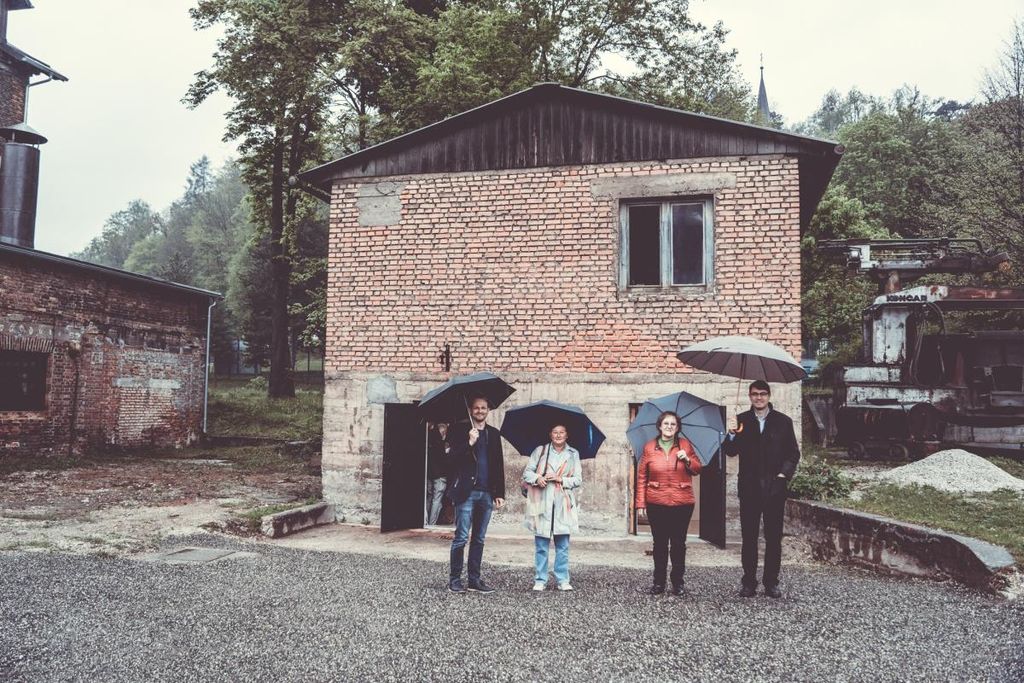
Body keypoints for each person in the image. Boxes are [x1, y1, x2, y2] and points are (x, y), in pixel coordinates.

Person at [723, 380, 801, 598]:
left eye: (763, 394)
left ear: (769, 396)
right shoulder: (741, 421)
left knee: (773, 538)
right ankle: (749, 582)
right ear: (750, 396)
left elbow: (793, 453)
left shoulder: (783, 422)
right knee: (749, 538)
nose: (759, 397)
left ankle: (771, 582)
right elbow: (730, 451)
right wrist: (731, 433)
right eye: (755, 394)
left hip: (775, 488)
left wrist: (783, 476)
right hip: (749, 489)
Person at [635, 411, 702, 595]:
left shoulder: (685, 445)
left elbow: (697, 469)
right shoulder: (649, 447)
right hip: (656, 501)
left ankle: (678, 583)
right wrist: (640, 503)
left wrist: (687, 459)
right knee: (660, 544)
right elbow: (642, 476)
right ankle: (659, 582)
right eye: (666, 423)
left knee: (679, 544)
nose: (669, 427)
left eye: (673, 424)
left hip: (682, 502)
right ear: (659, 426)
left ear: (677, 428)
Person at [446, 394, 506, 594]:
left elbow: (498, 464)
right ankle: (455, 580)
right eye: (476, 408)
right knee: (461, 537)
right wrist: (469, 442)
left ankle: (474, 580)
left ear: (488, 410)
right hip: (466, 493)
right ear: (471, 410)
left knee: (479, 539)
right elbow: (450, 459)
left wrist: (499, 493)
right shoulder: (459, 431)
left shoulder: (493, 434)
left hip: (486, 494)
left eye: (483, 408)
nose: (480, 411)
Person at [522, 424, 582, 592]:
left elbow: (578, 479)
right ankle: (540, 579)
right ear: (550, 434)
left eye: (562, 432)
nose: (558, 435)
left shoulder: (573, 454)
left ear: (567, 435)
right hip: (542, 501)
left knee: (562, 546)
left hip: (563, 503)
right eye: (555, 432)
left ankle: (562, 579)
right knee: (541, 545)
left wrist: (560, 479)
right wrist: (537, 478)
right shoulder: (540, 451)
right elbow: (527, 473)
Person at [425, 422, 450, 526]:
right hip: (440, 475)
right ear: (443, 432)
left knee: (429, 497)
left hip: (430, 473)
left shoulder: (429, 441)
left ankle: (425, 521)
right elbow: (446, 460)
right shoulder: (442, 444)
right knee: (437, 500)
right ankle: (432, 523)